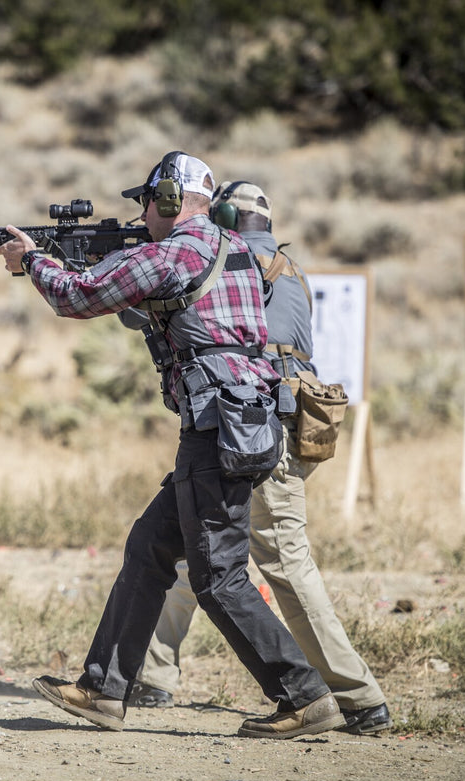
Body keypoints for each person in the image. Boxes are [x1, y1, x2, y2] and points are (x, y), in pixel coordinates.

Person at [0, 151, 346, 740]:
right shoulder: (232, 249)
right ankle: (104, 689)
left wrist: (32, 259)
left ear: (167, 201)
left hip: (217, 428)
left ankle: (304, 696)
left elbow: (76, 299)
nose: (143, 214)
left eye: (148, 202)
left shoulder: (176, 251)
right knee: (151, 547)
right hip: (240, 422)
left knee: (220, 577)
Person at [124, 181, 392, 735]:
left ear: (221, 216)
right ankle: (151, 673)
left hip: (252, 427)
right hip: (276, 423)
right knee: (191, 542)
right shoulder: (288, 268)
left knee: (283, 561)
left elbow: (138, 309)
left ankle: (355, 695)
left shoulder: (234, 262)